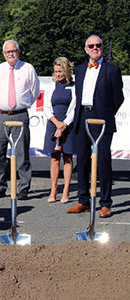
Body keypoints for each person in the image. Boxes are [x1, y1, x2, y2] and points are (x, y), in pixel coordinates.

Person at [66, 35, 124, 218]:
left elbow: (118, 98)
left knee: (103, 161)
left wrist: (106, 113)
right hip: (83, 117)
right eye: (91, 46)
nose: (95, 48)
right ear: (86, 49)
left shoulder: (112, 70)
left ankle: (106, 203)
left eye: (98, 45)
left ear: (102, 47)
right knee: (82, 160)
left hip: (102, 119)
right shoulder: (81, 69)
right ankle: (83, 200)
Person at [0, 39, 40, 200]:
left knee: (22, 152)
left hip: (20, 115)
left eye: (14, 51)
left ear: (19, 52)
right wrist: (1, 105)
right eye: (8, 52)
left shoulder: (28, 68)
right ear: (3, 54)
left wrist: (22, 104)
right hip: (0, 115)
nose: (11, 54)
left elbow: (35, 90)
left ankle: (23, 188)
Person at [43, 57, 76, 203]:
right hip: (53, 124)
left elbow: (74, 109)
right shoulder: (51, 86)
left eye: (60, 71)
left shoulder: (75, 87)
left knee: (67, 158)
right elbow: (46, 108)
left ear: (66, 70)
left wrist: (64, 125)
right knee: (55, 158)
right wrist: (56, 124)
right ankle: (53, 190)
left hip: (68, 126)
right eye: (56, 71)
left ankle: (66, 191)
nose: (58, 74)